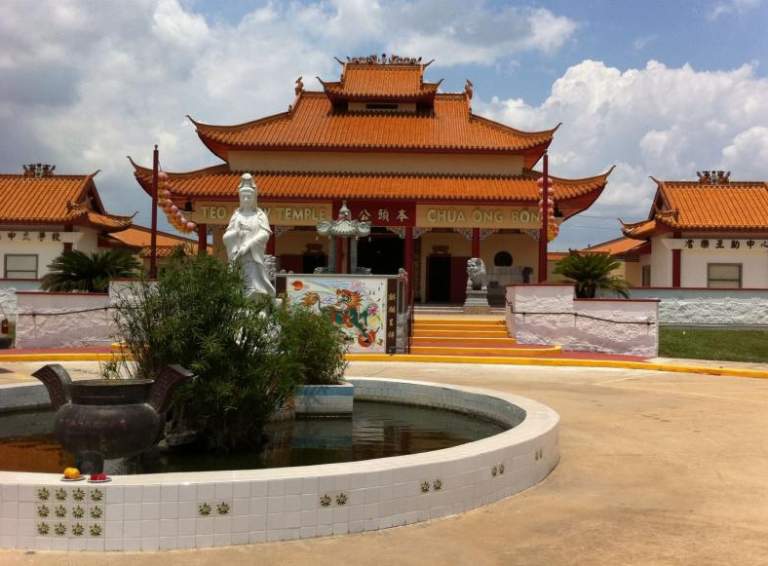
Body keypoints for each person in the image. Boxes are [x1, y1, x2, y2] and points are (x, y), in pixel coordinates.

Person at [223, 173, 275, 297]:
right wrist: (236, 233)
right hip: (239, 255)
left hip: (253, 255)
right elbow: (227, 236)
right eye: (244, 197)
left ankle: (255, 294)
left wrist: (249, 244)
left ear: (254, 198)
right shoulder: (236, 215)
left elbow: (265, 233)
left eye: (249, 197)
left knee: (253, 282)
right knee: (238, 282)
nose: (246, 200)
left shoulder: (260, 215)